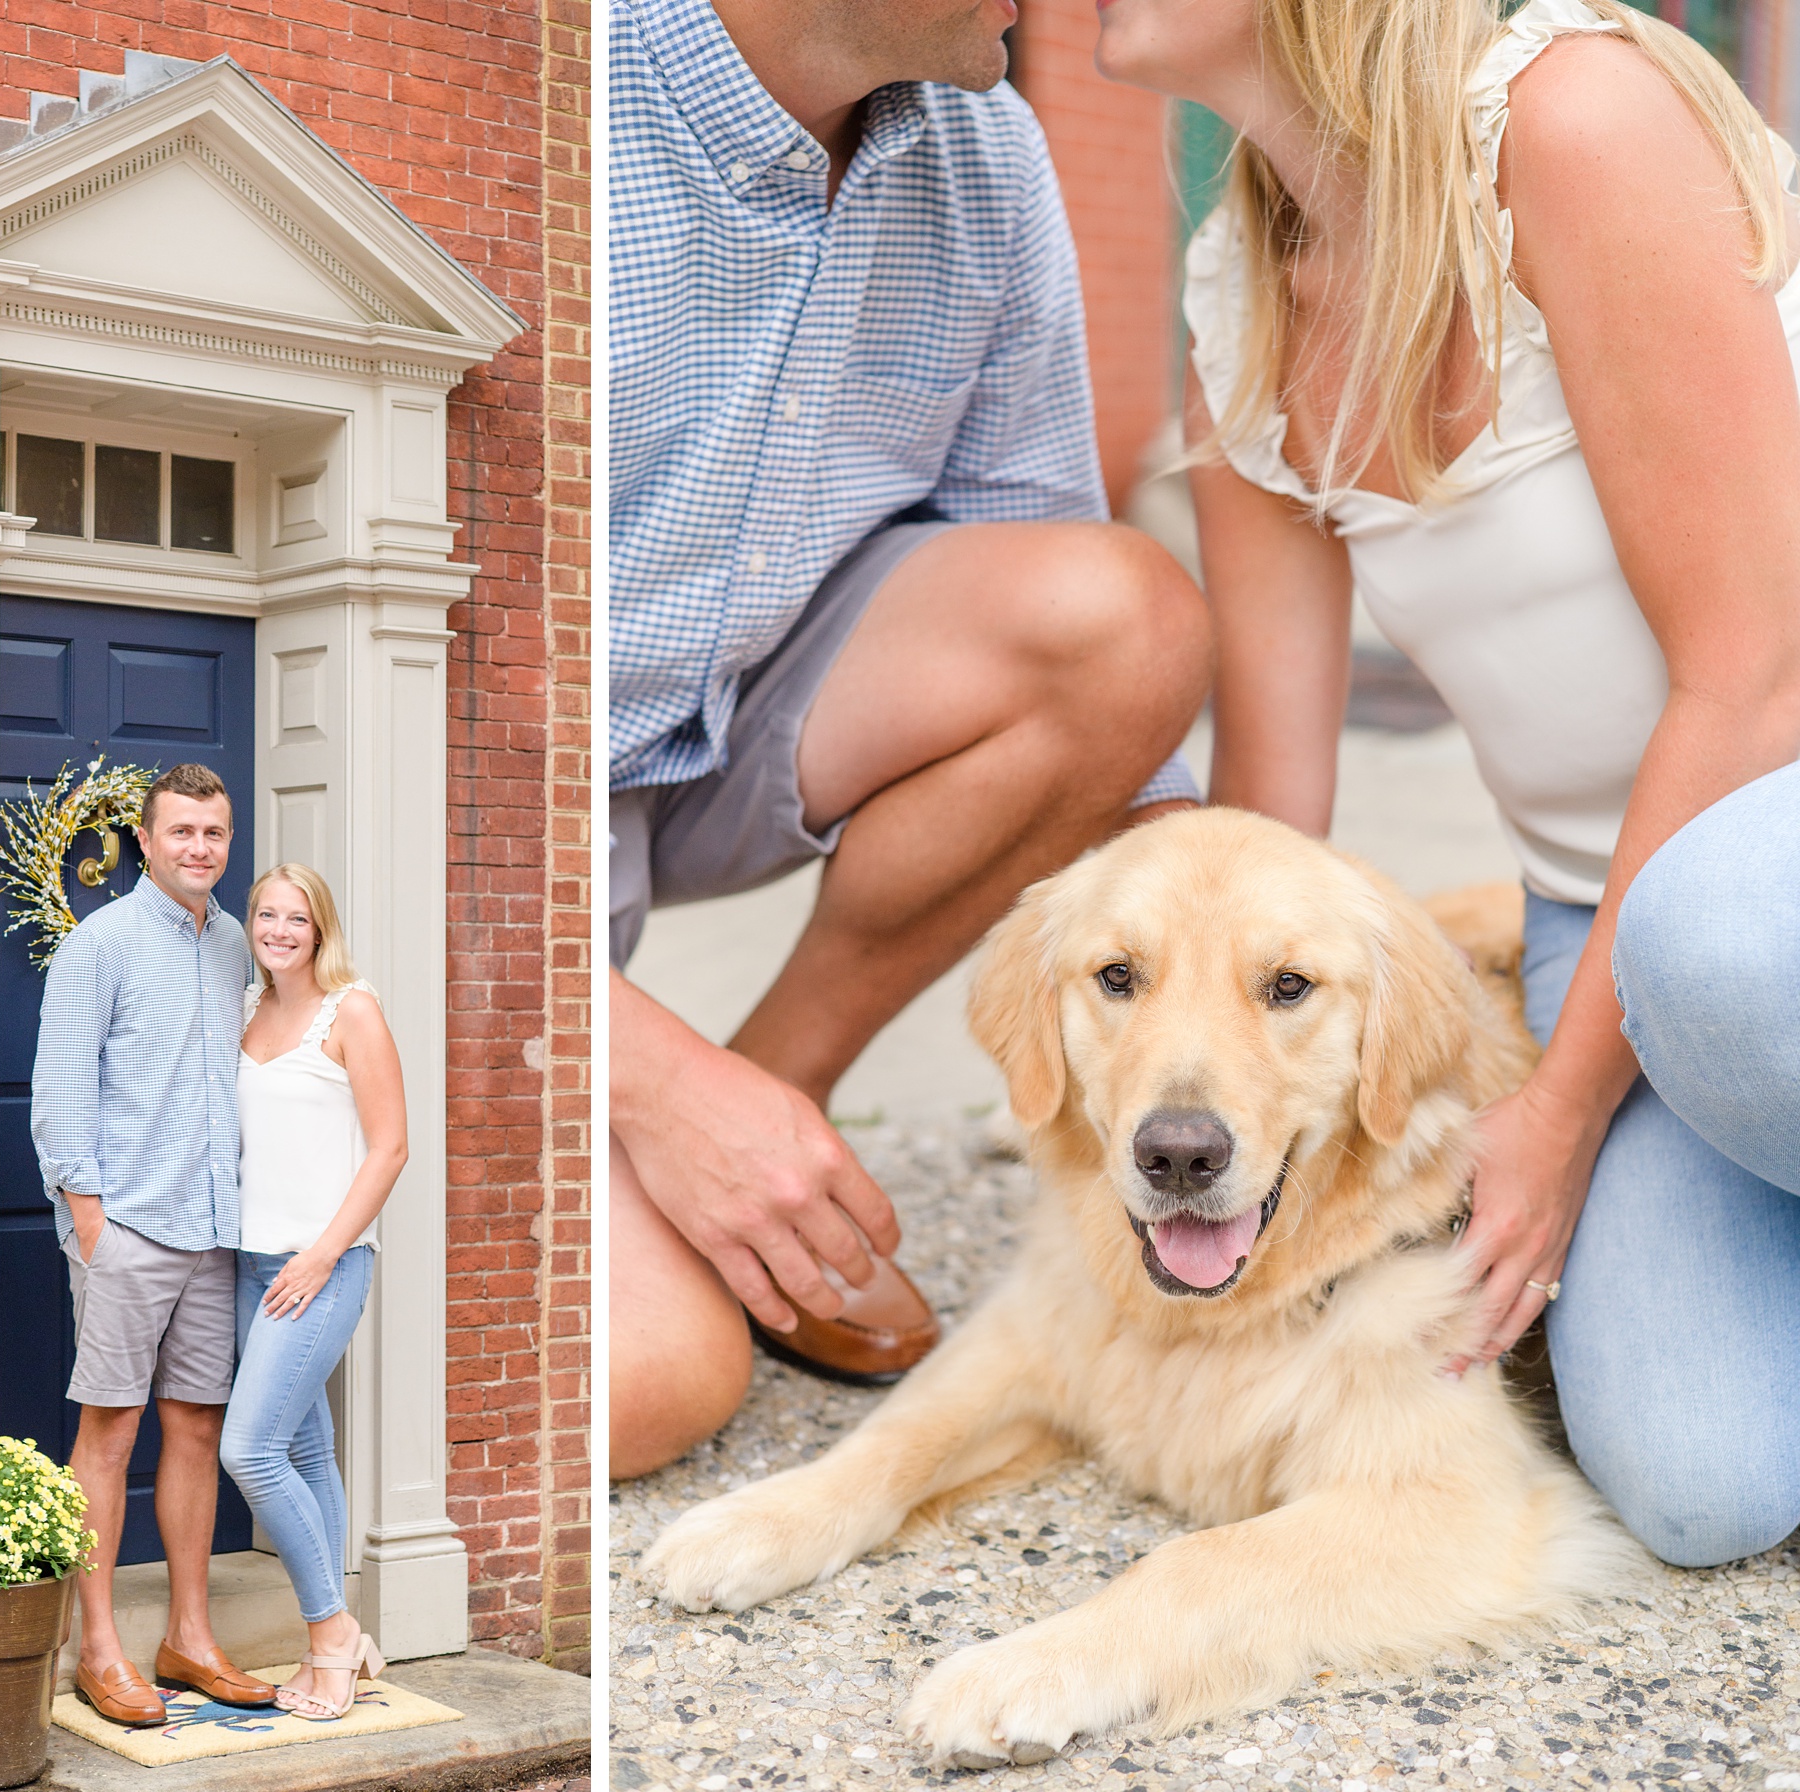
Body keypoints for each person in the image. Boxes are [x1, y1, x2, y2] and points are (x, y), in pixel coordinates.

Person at [1104, 0, 1800, 1561]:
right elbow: (1272, 831)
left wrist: (1556, 1114)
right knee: (1701, 1487)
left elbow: (1758, 678)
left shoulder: (1573, 123)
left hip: (1758, 870)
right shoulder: (1242, 295)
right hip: (1604, 906)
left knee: (1731, 954)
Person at [607, 0, 1213, 1478]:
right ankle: (670, 1117)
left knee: (1121, 617)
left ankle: (777, 1095)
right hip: (468, 803)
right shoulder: (554, 100)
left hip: (735, 729)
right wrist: (634, 1070)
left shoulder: (986, 154)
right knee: (653, 1383)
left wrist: (1244, 995)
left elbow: (1066, 651)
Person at [28, 762, 278, 1726]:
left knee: (198, 1432)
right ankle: (97, 1650)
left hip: (215, 1229)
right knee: (109, 1433)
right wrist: (93, 1226)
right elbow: (59, 1095)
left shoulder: (232, 947)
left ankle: (189, 1639)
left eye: (214, 833)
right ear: (146, 839)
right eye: (182, 833)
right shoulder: (101, 944)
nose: (201, 849)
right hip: (129, 1226)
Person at [221, 864, 407, 1720]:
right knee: (301, 1453)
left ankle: (332, 1637)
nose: (282, 930)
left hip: (322, 1267)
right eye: (268, 914)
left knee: (249, 1451)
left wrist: (323, 1254)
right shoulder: (248, 1010)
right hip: (252, 1264)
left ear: (321, 928)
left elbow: (390, 1149)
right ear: (251, 924)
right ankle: (333, 1648)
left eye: (298, 918)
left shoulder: (352, 1011)